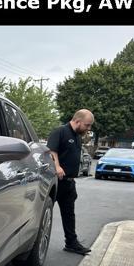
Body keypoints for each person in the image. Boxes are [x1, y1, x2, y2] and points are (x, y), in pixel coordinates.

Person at [47, 109, 94, 255]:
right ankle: (31, 245)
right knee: (45, 213)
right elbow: (51, 151)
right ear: (78, 121)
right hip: (56, 182)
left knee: (69, 214)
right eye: (87, 125)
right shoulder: (60, 131)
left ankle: (71, 243)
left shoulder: (77, 136)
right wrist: (57, 166)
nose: (88, 128)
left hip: (69, 183)